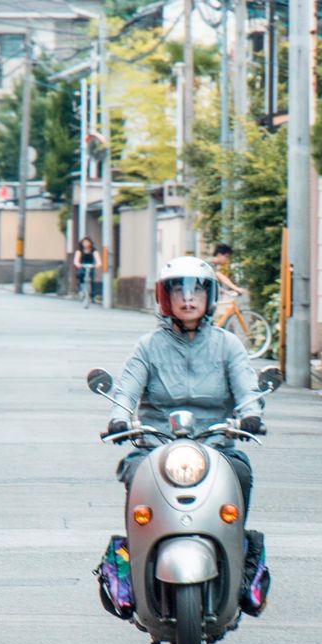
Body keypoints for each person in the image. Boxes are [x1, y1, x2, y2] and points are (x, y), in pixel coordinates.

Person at [105, 255, 269, 615]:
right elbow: (126, 390)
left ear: (210, 296)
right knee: (134, 475)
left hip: (215, 443)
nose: (188, 298)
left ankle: (244, 557)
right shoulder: (148, 346)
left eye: (197, 290)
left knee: (240, 472)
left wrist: (251, 415)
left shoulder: (228, 345)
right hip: (155, 445)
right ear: (165, 298)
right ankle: (128, 565)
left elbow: (246, 390)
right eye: (178, 290)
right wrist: (119, 419)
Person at [208, 241, 247, 330]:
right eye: (226, 256)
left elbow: (216, 286)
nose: (227, 260)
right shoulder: (209, 264)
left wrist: (227, 292)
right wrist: (236, 288)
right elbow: (220, 276)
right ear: (219, 254)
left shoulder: (213, 265)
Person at [72, 236, 101, 306]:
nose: (86, 244)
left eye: (87, 242)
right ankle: (82, 290)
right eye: (84, 242)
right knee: (82, 275)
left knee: (91, 278)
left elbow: (98, 259)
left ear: (90, 243)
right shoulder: (79, 250)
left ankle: (91, 295)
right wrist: (77, 264)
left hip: (91, 266)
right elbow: (76, 260)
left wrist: (98, 264)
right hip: (82, 266)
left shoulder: (93, 250)